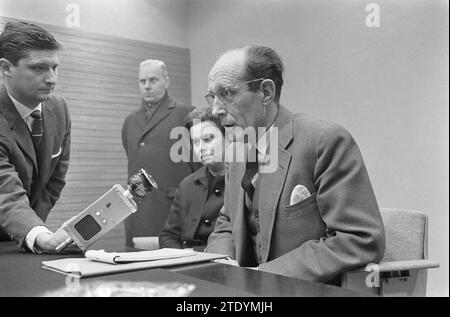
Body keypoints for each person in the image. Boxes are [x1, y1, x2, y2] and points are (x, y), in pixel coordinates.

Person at [204, 45, 385, 284]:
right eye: (212, 97)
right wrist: (221, 267)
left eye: (226, 93)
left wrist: (264, 276)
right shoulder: (237, 153)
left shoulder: (324, 140)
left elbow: (359, 238)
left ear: (266, 92)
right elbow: (227, 224)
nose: (215, 109)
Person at [0, 21, 72, 253]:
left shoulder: (59, 108)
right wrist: (39, 234)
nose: (51, 78)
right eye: (39, 68)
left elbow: (54, 180)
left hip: (25, 238)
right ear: (6, 68)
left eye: (55, 68)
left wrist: (35, 230)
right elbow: (4, 187)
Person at [122, 59, 196, 247]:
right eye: (142, 81)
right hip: (139, 212)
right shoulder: (130, 121)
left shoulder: (186, 114)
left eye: (153, 80)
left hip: (174, 210)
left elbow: (199, 167)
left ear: (166, 82)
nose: (147, 86)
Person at [159, 108, 226, 251]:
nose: (201, 147)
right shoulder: (187, 185)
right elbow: (168, 236)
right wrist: (181, 258)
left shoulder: (243, 182)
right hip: (185, 264)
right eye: (195, 142)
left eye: (208, 139)